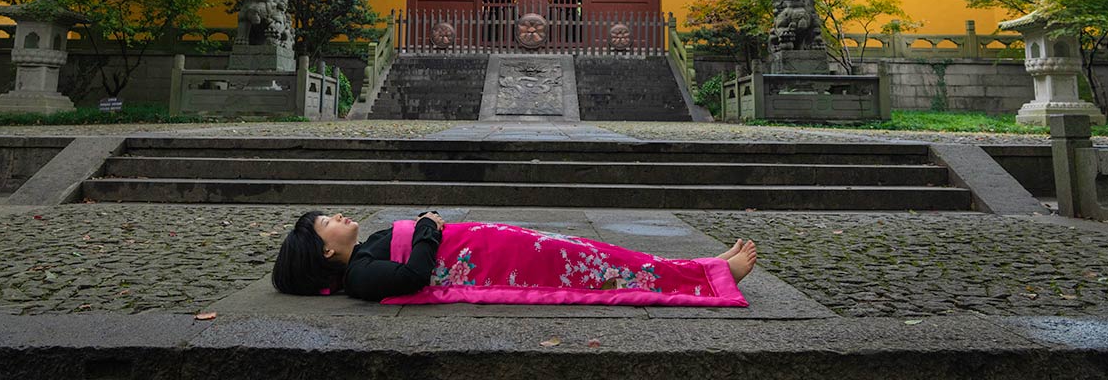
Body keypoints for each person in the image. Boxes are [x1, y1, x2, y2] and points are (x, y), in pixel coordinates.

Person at [271, 210, 756, 307]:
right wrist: (426, 225)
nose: (336, 215)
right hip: (502, 262)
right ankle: (710, 277)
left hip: (500, 245)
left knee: (605, 255)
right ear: (327, 250)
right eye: (325, 223)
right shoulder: (359, 274)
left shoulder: (364, 252)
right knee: (604, 272)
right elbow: (415, 276)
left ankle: (701, 267)